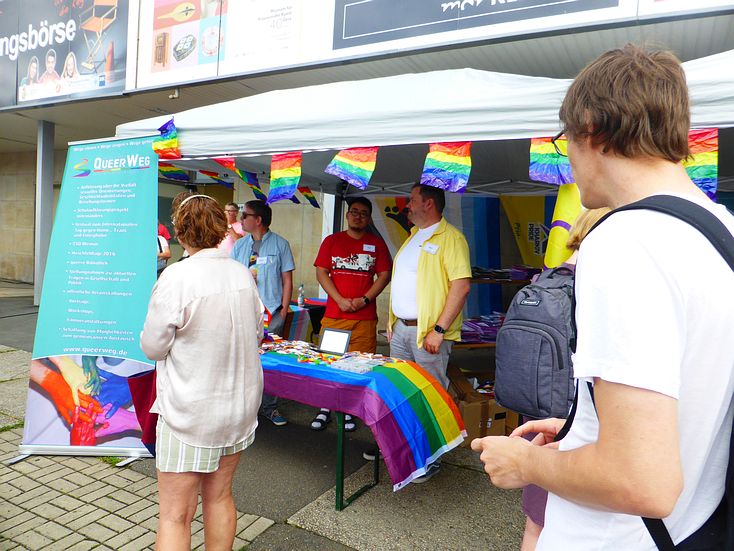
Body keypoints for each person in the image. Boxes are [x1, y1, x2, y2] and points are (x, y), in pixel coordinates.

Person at [471, 44, 734, 549]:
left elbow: (641, 480)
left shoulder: (625, 241)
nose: (568, 160)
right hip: (693, 525)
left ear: (590, 129)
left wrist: (526, 462)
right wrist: (584, 428)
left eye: (563, 141)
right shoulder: (719, 229)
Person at [140, 193, 264, 551]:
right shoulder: (241, 273)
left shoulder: (177, 277)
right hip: (238, 408)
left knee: (175, 515)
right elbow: (257, 332)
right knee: (220, 496)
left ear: (180, 232)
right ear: (222, 228)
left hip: (190, 413)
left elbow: (153, 347)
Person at [519, 207, 610, 551]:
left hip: (538, 406)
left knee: (537, 519)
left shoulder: (542, 280)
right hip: (579, 413)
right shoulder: (601, 285)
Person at [376, 184, 471, 480]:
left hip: (428, 334)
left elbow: (461, 286)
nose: (407, 205)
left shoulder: (451, 238)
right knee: (402, 392)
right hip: (402, 331)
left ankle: (430, 458)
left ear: (428, 204)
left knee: (430, 396)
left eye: (412, 200)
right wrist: (393, 321)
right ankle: (405, 450)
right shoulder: (414, 236)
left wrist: (439, 329)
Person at [310, 197, 392, 432]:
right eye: (354, 211)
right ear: (347, 215)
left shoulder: (376, 244)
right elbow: (321, 272)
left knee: (359, 366)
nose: (358, 216)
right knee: (330, 362)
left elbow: (385, 275)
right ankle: (326, 406)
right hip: (335, 315)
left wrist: (364, 299)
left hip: (364, 319)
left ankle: (349, 409)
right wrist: (339, 299)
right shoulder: (332, 241)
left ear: (369, 218)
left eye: (363, 213)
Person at [232, 199, 294, 427]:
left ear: (258, 220)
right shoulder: (239, 246)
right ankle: (243, 410)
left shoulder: (280, 244)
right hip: (244, 313)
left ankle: (270, 408)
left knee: (270, 362)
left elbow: (287, 280)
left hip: (271, 312)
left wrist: (283, 310)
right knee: (242, 361)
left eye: (245, 215)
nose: (240, 219)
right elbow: (230, 276)